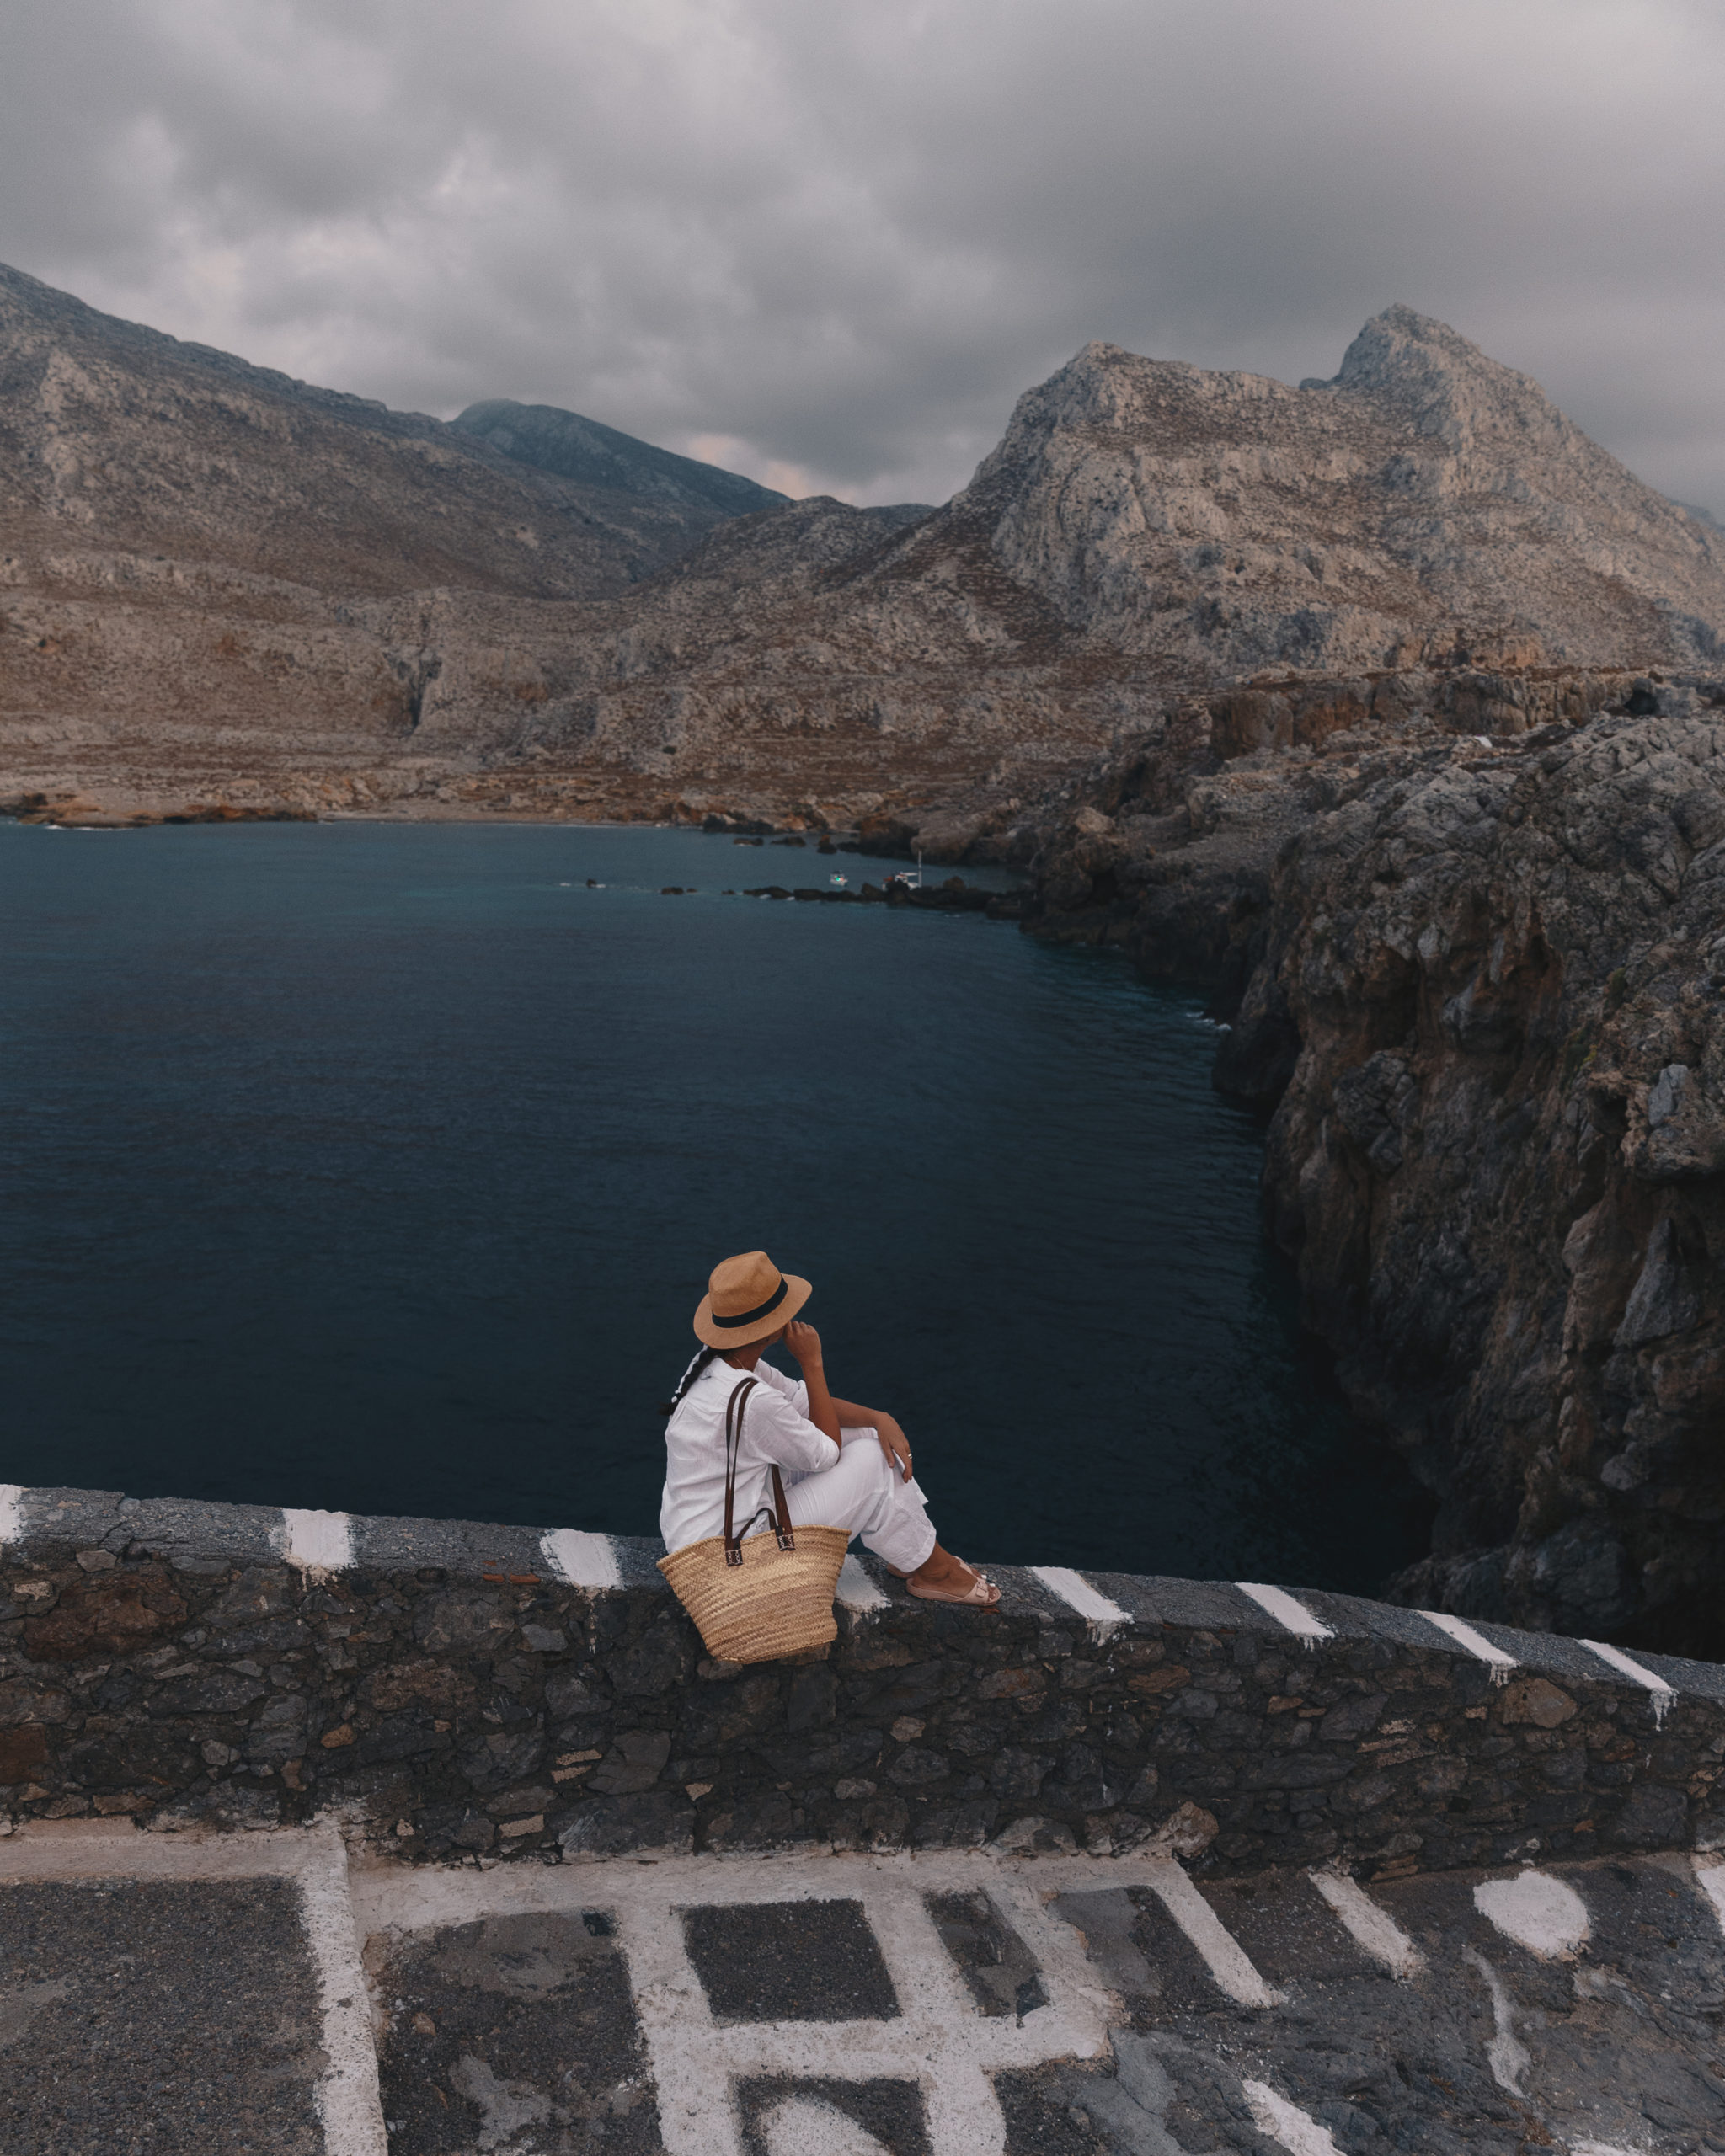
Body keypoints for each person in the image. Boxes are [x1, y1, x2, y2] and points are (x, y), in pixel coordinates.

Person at [660, 1250, 999, 1607]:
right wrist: (812, 1362)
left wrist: (877, 1417)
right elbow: (826, 1452)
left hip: (702, 1542)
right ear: (773, 1326)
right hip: (731, 1560)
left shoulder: (720, 1365)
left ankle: (916, 1553)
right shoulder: (753, 1400)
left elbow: (800, 1401)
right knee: (871, 1458)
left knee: (870, 1436)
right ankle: (935, 1568)